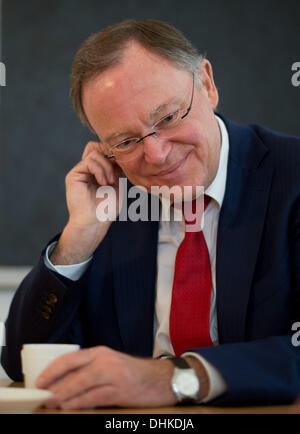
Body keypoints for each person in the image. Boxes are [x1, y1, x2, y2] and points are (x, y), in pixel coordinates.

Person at [2, 19, 300, 410]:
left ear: (207, 84)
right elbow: (25, 362)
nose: (156, 155)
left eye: (168, 117)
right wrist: (78, 240)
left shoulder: (291, 176)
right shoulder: (114, 205)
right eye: (125, 141)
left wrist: (175, 378)